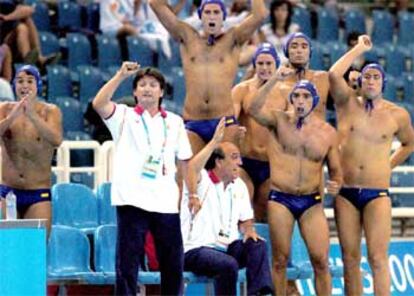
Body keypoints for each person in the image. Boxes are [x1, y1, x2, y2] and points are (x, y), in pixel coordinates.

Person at [93, 62, 193, 296]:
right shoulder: (123, 116)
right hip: (131, 198)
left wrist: (192, 193)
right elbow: (98, 103)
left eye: (153, 85)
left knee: (172, 264)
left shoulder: (175, 121)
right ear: (135, 92)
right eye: (142, 85)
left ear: (161, 91)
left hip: (165, 200)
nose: (147, 89)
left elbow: (185, 160)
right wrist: (119, 75)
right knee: (127, 264)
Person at [329, 34, 414, 296]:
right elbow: (333, 74)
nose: (371, 81)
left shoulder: (396, 115)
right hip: (346, 193)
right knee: (350, 259)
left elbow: (409, 144)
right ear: (359, 81)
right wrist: (358, 49)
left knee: (378, 258)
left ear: (384, 83)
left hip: (377, 194)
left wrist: (387, 165)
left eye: (376, 77)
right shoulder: (346, 105)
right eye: (366, 77)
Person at [249, 69, 343, 295]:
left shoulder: (328, 133)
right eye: (296, 96)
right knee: (280, 260)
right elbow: (252, 108)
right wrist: (274, 80)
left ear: (315, 101)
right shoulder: (279, 120)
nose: (300, 101)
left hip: (311, 201)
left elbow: (337, 171)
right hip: (281, 198)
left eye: (306, 97)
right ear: (291, 100)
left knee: (321, 261)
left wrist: (336, 183)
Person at [150, 0, 267, 153]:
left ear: (223, 17)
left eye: (216, 13)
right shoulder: (187, 36)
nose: (212, 17)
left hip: (224, 121)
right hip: (193, 121)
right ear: (200, 16)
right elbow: (155, 4)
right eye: (207, 12)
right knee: (190, 173)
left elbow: (260, 15)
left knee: (227, 173)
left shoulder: (233, 39)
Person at [181, 117, 274, 296]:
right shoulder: (202, 179)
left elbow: (246, 221)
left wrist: (248, 231)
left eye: (239, 157)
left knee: (257, 245)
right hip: (195, 250)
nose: (240, 163)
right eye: (234, 157)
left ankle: (259, 293)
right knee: (228, 264)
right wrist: (215, 142)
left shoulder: (239, 185)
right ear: (218, 162)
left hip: (227, 248)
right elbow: (191, 168)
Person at [0, 65, 63, 234]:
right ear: (14, 85)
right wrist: (12, 116)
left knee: (37, 249)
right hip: (7, 193)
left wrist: (32, 116)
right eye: (20, 81)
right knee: (8, 247)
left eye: (30, 81)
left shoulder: (50, 111)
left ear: (38, 86)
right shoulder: (4, 109)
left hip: (38, 193)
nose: (24, 85)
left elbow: (56, 140)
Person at [232, 42, 284, 220]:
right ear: (254, 65)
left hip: (271, 164)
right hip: (245, 162)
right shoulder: (242, 89)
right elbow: (230, 119)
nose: (264, 68)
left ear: (276, 64)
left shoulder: (285, 92)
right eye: (260, 63)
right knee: (242, 207)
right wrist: (234, 128)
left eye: (269, 63)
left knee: (263, 212)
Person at [276, 32, 329, 121]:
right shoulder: (277, 84)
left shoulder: (323, 78)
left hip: (318, 134)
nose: (299, 51)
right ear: (286, 52)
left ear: (310, 52)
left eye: (304, 47)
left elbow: (347, 100)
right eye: (294, 46)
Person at [259, 0, 299, 64]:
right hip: (270, 64)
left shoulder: (294, 29)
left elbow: (296, 52)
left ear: (288, 12)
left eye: (283, 10)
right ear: (272, 12)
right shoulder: (264, 30)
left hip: (289, 65)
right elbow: (263, 52)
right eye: (277, 9)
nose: (280, 13)